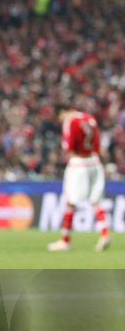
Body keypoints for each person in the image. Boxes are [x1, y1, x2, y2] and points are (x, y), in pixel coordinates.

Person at [48, 107, 110, 251]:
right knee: (96, 201)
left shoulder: (70, 121)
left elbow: (68, 146)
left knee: (70, 202)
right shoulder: (90, 118)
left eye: (60, 118)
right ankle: (104, 233)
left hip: (79, 164)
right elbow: (97, 143)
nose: (61, 121)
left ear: (63, 111)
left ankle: (65, 240)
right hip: (95, 162)